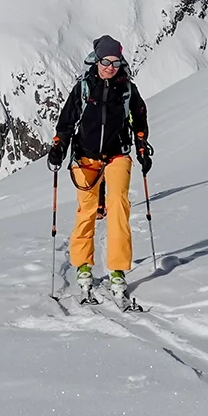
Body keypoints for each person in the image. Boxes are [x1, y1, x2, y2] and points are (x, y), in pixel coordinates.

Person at [48, 36, 153, 310]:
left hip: (117, 154)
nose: (110, 67)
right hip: (86, 157)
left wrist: (141, 146)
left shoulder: (128, 89)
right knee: (88, 209)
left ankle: (117, 269)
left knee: (119, 205)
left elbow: (140, 118)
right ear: (97, 60)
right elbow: (66, 121)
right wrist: (59, 146)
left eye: (115, 62)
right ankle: (84, 265)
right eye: (106, 61)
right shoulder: (84, 88)